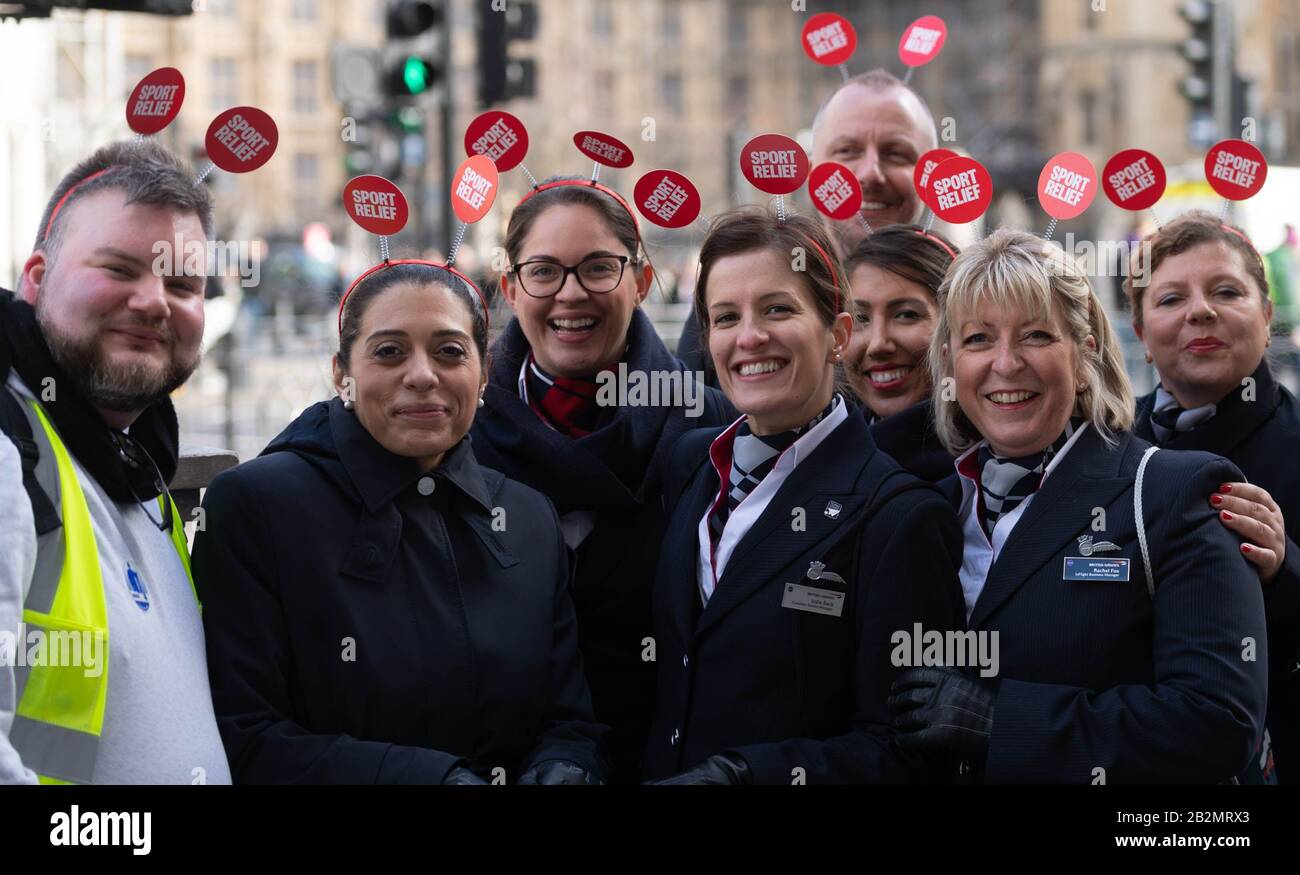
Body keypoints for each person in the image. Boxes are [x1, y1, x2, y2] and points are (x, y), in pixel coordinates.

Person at [192, 261, 605, 784]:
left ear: (483, 371)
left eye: (450, 351)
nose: (422, 375)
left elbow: (569, 718)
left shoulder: (527, 516)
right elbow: (243, 736)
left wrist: (564, 766)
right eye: (389, 352)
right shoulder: (256, 506)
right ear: (342, 372)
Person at [889, 228, 1269, 784]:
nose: (1006, 363)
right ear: (949, 361)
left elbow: (1219, 722)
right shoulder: (932, 508)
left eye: (1037, 335)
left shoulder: (1172, 491)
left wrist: (1002, 721)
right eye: (977, 340)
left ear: (1085, 348)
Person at [644, 207, 964, 785]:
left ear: (838, 334)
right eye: (725, 317)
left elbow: (905, 751)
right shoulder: (690, 464)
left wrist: (745, 775)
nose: (748, 337)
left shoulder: (900, 516)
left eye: (777, 309)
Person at [469, 178, 734, 784]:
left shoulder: (711, 424)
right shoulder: (461, 431)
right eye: (544, 272)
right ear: (511, 287)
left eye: (597, 268)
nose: (570, 294)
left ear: (640, 281)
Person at [0, 140, 230, 784]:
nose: (155, 302)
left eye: (182, 284)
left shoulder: (136, 465)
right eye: (120, 269)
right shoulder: (10, 451)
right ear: (37, 277)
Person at [1128, 211, 1300, 782]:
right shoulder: (1104, 452)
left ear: (1267, 314)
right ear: (1141, 334)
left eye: (1226, 291)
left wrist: (1286, 567)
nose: (1200, 311)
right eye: (1171, 298)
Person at [677, 69, 938, 374]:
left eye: (896, 154)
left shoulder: (972, 296)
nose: (870, 173)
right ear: (811, 171)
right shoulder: (736, 303)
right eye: (847, 151)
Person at [844, 224, 958, 481]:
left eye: (906, 315)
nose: (878, 344)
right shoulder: (818, 453)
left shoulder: (987, 472)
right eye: (860, 318)